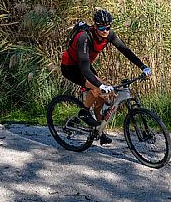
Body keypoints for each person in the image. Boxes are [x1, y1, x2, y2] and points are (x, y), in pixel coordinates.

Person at [60, 9, 151, 145]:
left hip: (84, 65)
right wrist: (100, 85)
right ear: (94, 26)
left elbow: (126, 51)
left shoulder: (109, 35)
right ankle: (83, 112)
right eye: (101, 27)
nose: (105, 30)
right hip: (70, 67)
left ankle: (99, 130)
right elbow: (84, 70)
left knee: (102, 98)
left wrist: (143, 66)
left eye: (108, 27)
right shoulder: (83, 38)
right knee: (97, 89)